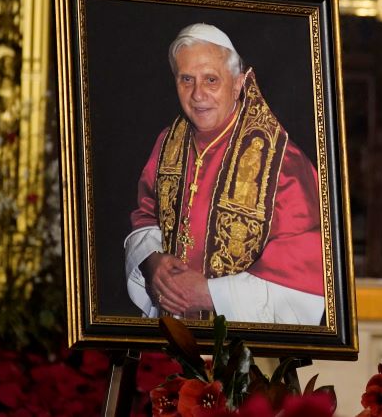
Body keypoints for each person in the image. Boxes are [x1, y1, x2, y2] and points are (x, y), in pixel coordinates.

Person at [124, 23, 325, 325]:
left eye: (211, 80)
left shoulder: (282, 162)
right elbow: (146, 215)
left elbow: (307, 271)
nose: (197, 94)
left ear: (238, 84)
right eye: (186, 79)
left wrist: (210, 294)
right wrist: (152, 262)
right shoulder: (169, 143)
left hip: (245, 355)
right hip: (171, 338)